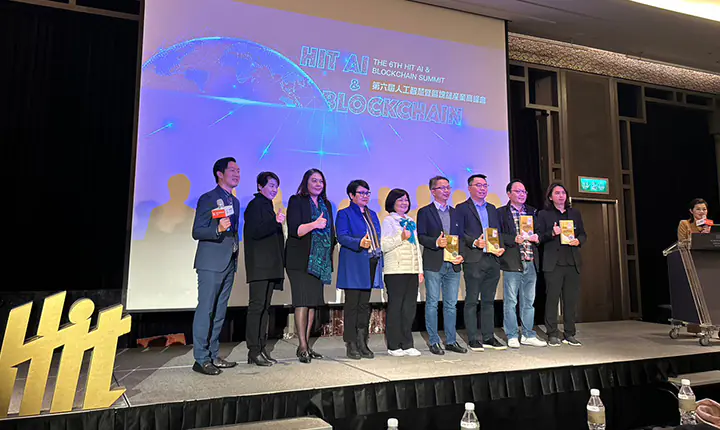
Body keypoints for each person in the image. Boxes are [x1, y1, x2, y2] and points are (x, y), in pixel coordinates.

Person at [191, 157, 240, 375]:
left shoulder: (234, 201)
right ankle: (201, 359)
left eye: (238, 170)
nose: (237, 174)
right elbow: (197, 231)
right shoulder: (208, 198)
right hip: (211, 263)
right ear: (220, 174)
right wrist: (217, 229)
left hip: (229, 261)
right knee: (206, 309)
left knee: (220, 312)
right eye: (232, 170)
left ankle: (213, 354)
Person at [286, 168, 335, 363]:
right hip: (299, 260)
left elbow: (330, 232)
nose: (318, 184)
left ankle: (306, 345)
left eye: (321, 181)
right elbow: (295, 230)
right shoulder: (296, 201)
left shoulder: (326, 204)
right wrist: (314, 224)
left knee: (313, 302)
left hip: (319, 261)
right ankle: (303, 347)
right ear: (306, 182)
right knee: (302, 301)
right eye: (314, 180)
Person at [455, 174, 506, 352]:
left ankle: (489, 337)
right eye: (478, 185)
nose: (482, 188)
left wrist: (499, 247)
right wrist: (474, 242)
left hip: (492, 258)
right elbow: (459, 233)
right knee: (471, 300)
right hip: (473, 259)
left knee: (488, 301)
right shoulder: (462, 208)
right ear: (469, 188)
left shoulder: (492, 208)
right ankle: (473, 338)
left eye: (485, 185)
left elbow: (497, 232)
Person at [417, 176, 466, 355]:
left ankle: (451, 341)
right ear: (433, 191)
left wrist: (461, 255)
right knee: (432, 303)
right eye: (442, 188)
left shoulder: (456, 212)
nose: (446, 191)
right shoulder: (425, 212)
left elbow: (461, 237)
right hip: (434, 263)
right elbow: (421, 237)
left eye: (448, 188)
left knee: (451, 304)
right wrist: (436, 242)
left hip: (453, 264)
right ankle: (434, 341)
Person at [336, 179, 383, 360]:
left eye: (367, 193)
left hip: (370, 262)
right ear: (351, 195)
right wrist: (359, 243)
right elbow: (342, 236)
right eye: (361, 193)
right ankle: (351, 343)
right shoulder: (344, 214)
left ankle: (363, 341)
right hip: (354, 264)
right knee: (352, 305)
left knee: (364, 305)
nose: (365, 196)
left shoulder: (372, 214)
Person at [497, 180, 547, 348]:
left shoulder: (532, 211)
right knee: (511, 301)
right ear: (509, 194)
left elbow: (541, 233)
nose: (521, 194)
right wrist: (513, 239)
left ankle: (527, 334)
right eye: (518, 191)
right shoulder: (501, 213)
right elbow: (496, 234)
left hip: (530, 260)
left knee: (528, 301)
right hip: (512, 262)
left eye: (524, 192)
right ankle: (512, 335)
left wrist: (537, 237)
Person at [537, 183, 587, 347]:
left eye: (563, 193)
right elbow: (539, 237)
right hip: (553, 263)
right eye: (557, 193)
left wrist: (578, 240)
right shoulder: (544, 214)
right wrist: (552, 233)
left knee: (570, 300)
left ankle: (569, 333)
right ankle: (552, 333)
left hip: (572, 262)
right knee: (552, 300)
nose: (561, 196)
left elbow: (583, 234)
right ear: (550, 197)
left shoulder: (575, 213)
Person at [243, 172, 285, 367]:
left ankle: (260, 348)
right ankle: (253, 350)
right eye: (271, 185)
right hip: (260, 266)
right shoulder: (255, 205)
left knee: (264, 308)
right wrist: (274, 221)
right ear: (260, 186)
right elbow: (255, 232)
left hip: (269, 266)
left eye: (276, 186)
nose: (274, 189)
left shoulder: (268, 206)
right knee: (257, 307)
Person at [381, 189, 424, 357]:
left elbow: (416, 247)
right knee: (396, 308)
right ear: (392, 202)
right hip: (395, 271)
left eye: (406, 199)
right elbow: (384, 245)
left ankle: (407, 344)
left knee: (409, 309)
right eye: (400, 200)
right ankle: (393, 345)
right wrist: (401, 237)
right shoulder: (389, 221)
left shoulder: (410, 220)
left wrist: (419, 270)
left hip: (411, 270)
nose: (404, 203)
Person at [677, 198, 712, 336]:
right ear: (691, 211)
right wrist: (699, 236)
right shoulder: (685, 224)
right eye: (698, 209)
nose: (702, 212)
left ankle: (712, 325)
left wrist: (709, 235)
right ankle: (696, 328)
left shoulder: (710, 225)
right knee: (695, 296)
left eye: (704, 209)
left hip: (708, 264)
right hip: (691, 263)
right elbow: (681, 243)